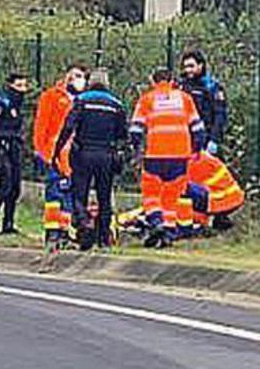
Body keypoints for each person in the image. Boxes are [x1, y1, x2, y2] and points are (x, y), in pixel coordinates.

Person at [130, 69, 206, 247]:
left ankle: (156, 223)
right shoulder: (185, 98)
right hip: (180, 155)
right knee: (171, 197)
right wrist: (197, 148)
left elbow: (135, 129)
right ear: (172, 81)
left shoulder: (148, 99)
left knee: (151, 194)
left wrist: (136, 150)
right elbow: (198, 127)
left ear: (153, 81)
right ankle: (168, 233)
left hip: (155, 154)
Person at [54, 69, 128, 250]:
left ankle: (84, 223)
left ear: (90, 83)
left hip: (83, 153)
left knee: (79, 193)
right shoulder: (116, 104)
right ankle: (103, 239)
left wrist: (57, 149)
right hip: (106, 155)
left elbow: (69, 126)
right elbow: (122, 134)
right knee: (104, 197)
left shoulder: (81, 100)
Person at [33, 65, 87, 248]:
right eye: (76, 76)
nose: (79, 80)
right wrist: (44, 154)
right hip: (54, 156)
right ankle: (52, 233)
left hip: (74, 158)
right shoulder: (52, 96)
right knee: (55, 195)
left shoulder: (82, 100)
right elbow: (42, 126)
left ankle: (64, 232)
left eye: (82, 76)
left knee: (69, 197)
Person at [0, 73, 29, 237]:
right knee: (5, 185)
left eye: (25, 86)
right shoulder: (1, 103)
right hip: (0, 147)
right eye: (19, 86)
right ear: (10, 86)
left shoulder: (16, 106)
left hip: (14, 148)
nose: (23, 90)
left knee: (15, 187)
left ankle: (8, 223)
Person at [180, 50, 228, 156]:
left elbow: (220, 115)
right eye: (186, 67)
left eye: (191, 66)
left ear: (200, 65)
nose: (188, 70)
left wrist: (214, 140)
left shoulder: (211, 87)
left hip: (206, 139)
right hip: (185, 141)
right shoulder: (181, 87)